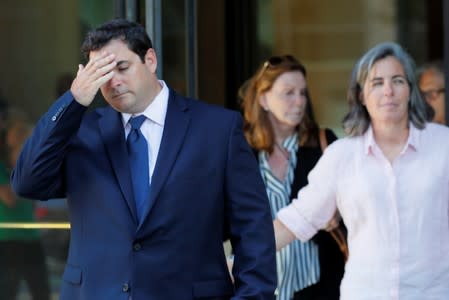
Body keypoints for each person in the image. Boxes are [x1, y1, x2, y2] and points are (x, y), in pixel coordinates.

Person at [11, 19, 277, 300]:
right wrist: (73, 101)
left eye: (122, 68)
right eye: (101, 74)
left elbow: (253, 230)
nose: (113, 81)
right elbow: (27, 182)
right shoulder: (81, 132)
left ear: (150, 60)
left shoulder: (217, 129)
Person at [272, 41, 449, 299]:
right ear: (361, 95)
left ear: (410, 91)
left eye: (398, 81)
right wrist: (237, 260)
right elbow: (296, 219)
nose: (388, 91)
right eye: (377, 83)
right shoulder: (342, 156)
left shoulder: (443, 145)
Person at [239, 55, 345, 300]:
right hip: (257, 286)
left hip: (320, 286)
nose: (299, 102)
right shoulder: (240, 149)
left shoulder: (324, 143)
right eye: (289, 93)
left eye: (303, 93)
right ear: (264, 98)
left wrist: (338, 213)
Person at [0, 118, 50, 300]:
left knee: (41, 291)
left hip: (31, 237)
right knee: (7, 291)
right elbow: (9, 198)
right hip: (8, 239)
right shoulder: (4, 168)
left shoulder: (30, 168)